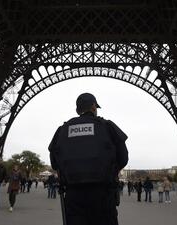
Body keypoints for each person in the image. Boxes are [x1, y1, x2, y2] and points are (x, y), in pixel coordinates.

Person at [49, 93, 128, 225]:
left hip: (73, 195)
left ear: (78, 110)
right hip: (103, 194)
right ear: (93, 107)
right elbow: (123, 158)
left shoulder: (62, 130)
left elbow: (54, 162)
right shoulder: (107, 126)